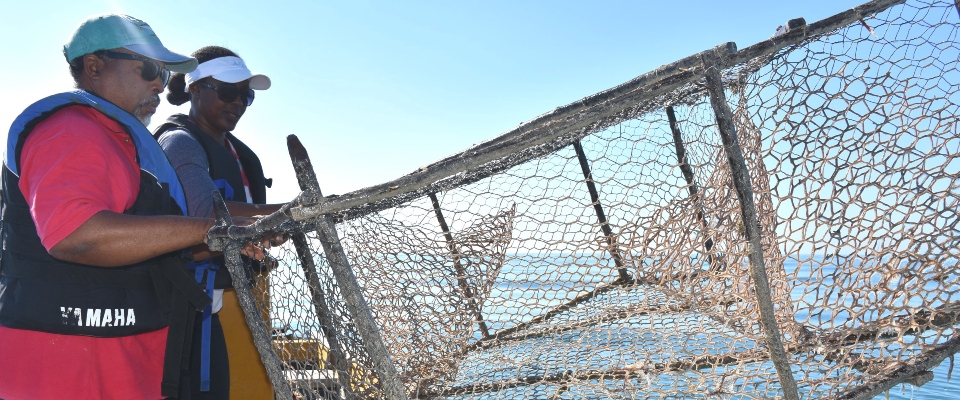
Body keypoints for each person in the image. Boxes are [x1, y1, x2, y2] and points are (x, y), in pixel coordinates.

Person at [0, 14, 268, 400]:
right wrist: (207, 230)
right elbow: (76, 235)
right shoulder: (71, 129)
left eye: (162, 71)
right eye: (149, 68)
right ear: (94, 67)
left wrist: (232, 239)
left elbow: (153, 246)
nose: (160, 82)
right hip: (73, 367)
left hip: (125, 359)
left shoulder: (122, 140)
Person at [153, 46, 284, 399]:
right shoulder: (179, 142)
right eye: (227, 91)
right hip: (190, 306)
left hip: (234, 295)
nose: (238, 102)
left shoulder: (238, 152)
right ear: (195, 89)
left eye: (246, 95)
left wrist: (261, 236)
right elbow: (205, 213)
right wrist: (288, 211)